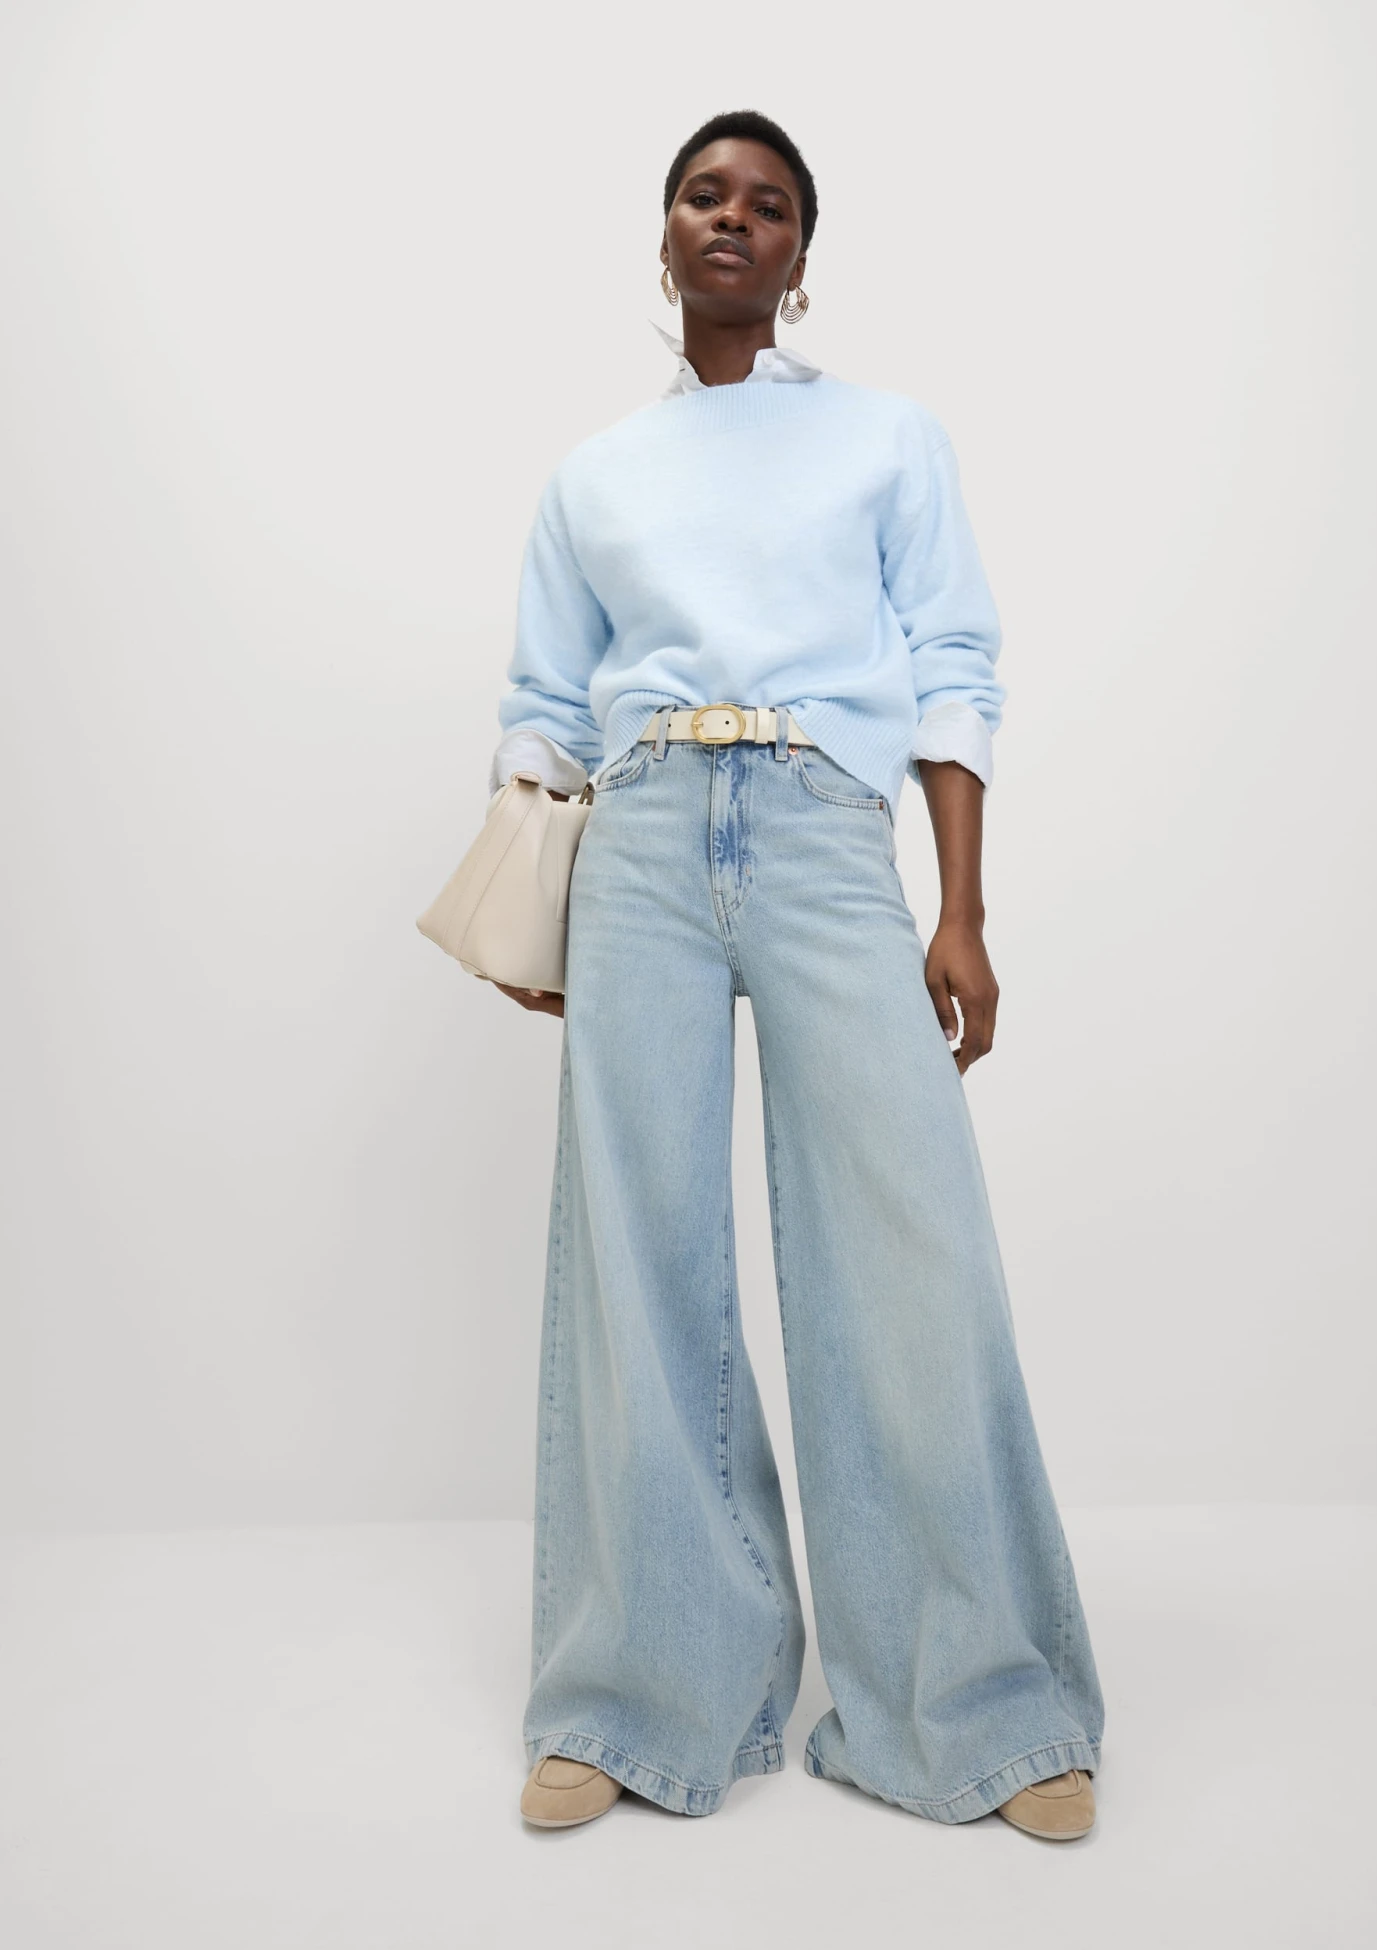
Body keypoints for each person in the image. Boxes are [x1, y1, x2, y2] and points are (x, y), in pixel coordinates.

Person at [487, 110, 1105, 1836]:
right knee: (639, 1262)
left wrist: (961, 908)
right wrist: (534, 904)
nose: (732, 219)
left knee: (909, 1253)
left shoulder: (888, 439)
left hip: (829, 831)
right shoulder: (595, 473)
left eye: (767, 204)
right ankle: (638, 1697)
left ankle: (981, 1706)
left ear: (801, 258)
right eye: (705, 195)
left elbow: (953, 664)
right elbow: (543, 702)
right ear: (663, 236)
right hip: (640, 842)